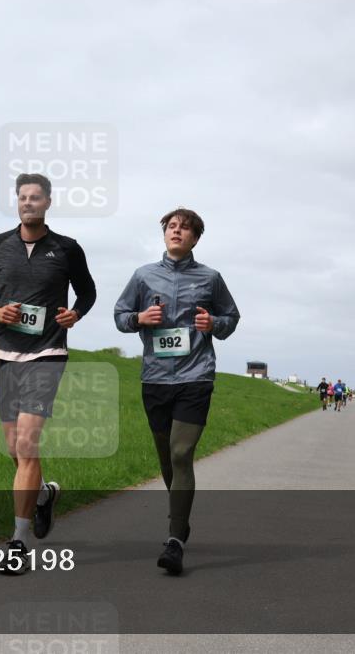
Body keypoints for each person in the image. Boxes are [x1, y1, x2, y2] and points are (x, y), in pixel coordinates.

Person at [0, 172, 96, 574]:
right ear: (17, 202)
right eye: (22, 197)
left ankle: (18, 543)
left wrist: (77, 312)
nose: (28, 203)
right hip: (4, 352)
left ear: (48, 202)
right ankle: (42, 496)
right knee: (13, 449)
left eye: (35, 197)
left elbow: (87, 291)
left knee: (27, 443)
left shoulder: (67, 249)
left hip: (47, 352)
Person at [114, 206, 240, 575]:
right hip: (155, 378)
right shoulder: (143, 276)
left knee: (182, 453)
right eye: (171, 227)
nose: (177, 232)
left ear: (196, 238)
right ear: (164, 233)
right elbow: (120, 316)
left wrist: (213, 322)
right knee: (167, 458)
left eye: (185, 229)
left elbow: (231, 319)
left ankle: (174, 541)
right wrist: (139, 319)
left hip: (196, 376)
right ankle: (181, 522)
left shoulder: (211, 278)